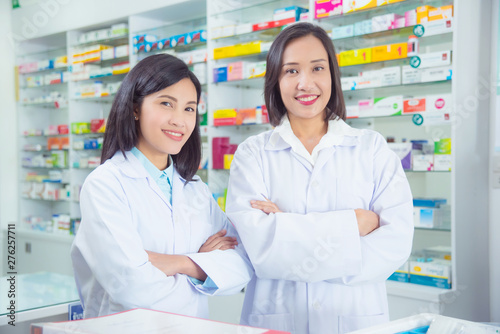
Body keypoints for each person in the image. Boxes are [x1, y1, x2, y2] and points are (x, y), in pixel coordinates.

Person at [226, 22, 414, 334]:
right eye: (291, 71)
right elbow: (259, 250)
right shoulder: (252, 154)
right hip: (276, 319)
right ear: (275, 79)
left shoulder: (371, 148)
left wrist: (285, 226)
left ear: (332, 75)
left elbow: (394, 246)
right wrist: (354, 223)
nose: (306, 83)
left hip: (356, 320)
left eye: (317, 68)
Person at [71, 54, 253, 319]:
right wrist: (203, 266)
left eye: (189, 108)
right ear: (135, 108)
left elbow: (241, 266)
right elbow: (132, 288)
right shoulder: (105, 185)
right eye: (167, 103)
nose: (180, 120)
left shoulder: (195, 190)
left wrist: (180, 262)